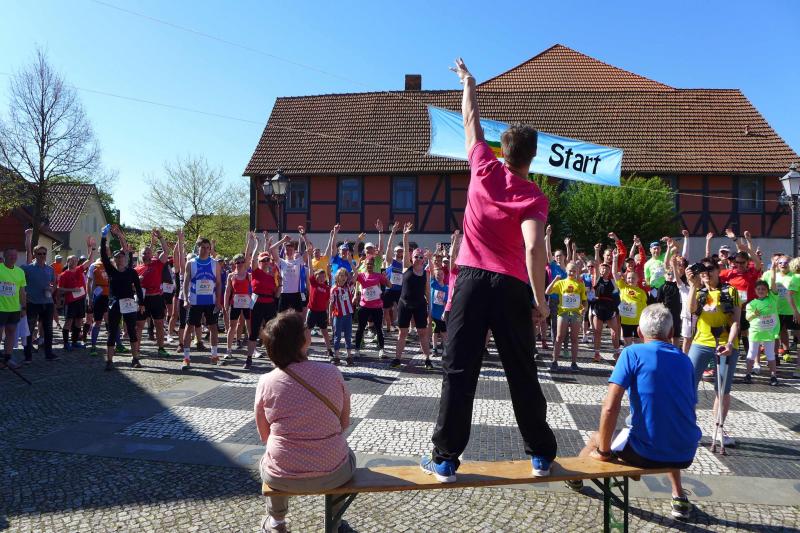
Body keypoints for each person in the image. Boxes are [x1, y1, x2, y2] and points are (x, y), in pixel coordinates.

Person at [421, 58, 556, 482]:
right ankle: (541, 456)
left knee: (459, 368)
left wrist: (469, 83)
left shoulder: (482, 165)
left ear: (503, 151)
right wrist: (540, 302)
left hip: (472, 280)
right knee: (522, 371)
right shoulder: (534, 196)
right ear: (533, 156)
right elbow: (533, 247)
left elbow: (470, 121)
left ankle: (445, 459)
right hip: (512, 285)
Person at [569, 304, 700, 520]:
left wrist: (604, 452)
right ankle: (679, 496)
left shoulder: (632, 353)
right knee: (667, 428)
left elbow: (610, 407)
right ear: (670, 333)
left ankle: (574, 477)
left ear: (639, 332)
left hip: (645, 452)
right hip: (685, 451)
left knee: (596, 438)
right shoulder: (685, 360)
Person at [255, 311, 355, 533]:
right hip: (333, 470)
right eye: (306, 328)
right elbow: (344, 423)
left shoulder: (266, 382)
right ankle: (335, 521)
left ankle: (276, 523)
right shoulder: (332, 373)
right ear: (303, 340)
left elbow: (264, 435)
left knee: (270, 457)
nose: (309, 329)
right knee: (346, 455)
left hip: (282, 474)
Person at [686, 257, 741, 448]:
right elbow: (691, 310)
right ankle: (689, 427)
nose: (706, 273)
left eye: (710, 269)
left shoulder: (730, 291)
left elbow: (736, 321)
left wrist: (731, 344)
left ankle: (719, 428)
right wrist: (692, 286)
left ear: (718, 270)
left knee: (722, 389)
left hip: (725, 344)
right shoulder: (700, 291)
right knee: (688, 384)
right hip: (701, 342)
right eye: (702, 270)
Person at [101, 225, 145, 370]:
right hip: (115, 304)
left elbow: (138, 288)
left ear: (125, 258)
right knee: (112, 332)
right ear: (114, 259)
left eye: (121, 256)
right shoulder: (111, 270)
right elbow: (103, 256)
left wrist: (141, 303)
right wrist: (103, 237)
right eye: (116, 257)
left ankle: (135, 358)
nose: (119, 259)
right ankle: (109, 361)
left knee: (132, 331)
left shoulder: (131, 272)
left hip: (129, 304)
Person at [393, 222, 433, 369]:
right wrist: (405, 235)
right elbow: (405, 249)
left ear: (424, 260)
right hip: (404, 304)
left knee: (422, 333)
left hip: (420, 305)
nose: (418, 259)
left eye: (421, 257)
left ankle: (427, 359)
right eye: (416, 256)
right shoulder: (406, 267)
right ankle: (397, 359)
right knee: (402, 333)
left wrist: (430, 308)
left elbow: (427, 292)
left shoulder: (426, 274)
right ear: (412, 258)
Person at [181, 237, 223, 370]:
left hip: (210, 301)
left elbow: (218, 283)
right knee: (189, 327)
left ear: (210, 249)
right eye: (203, 247)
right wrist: (186, 299)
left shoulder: (215, 264)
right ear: (198, 248)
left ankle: (214, 356)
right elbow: (186, 283)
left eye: (207, 248)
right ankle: (186, 358)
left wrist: (218, 301)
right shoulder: (191, 263)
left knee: (213, 327)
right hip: (195, 301)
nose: (205, 250)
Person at [21, 229, 58, 362]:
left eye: (44, 253)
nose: (42, 255)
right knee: (29, 330)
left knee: (48, 330)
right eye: (39, 253)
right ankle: (28, 356)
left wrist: (52, 289)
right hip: (32, 303)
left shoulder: (50, 269)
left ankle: (49, 354)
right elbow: (20, 284)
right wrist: (28, 238)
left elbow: (54, 283)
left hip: (47, 303)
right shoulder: (28, 268)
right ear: (35, 255)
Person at [244, 233, 279, 370]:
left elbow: (276, 293)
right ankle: (249, 358)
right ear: (259, 262)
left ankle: (274, 358)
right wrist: (256, 244)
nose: (266, 262)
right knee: (253, 332)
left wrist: (280, 285)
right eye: (263, 260)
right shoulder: (256, 272)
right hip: (257, 303)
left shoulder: (271, 276)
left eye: (267, 260)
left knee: (272, 331)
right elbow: (252, 259)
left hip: (269, 303)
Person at [546, 262, 588, 372]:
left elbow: (584, 300)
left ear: (577, 272)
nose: (572, 273)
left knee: (574, 338)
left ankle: (574, 363)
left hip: (576, 314)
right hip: (563, 313)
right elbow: (547, 291)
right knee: (559, 337)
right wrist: (555, 280)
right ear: (566, 271)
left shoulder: (580, 284)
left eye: (574, 271)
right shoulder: (561, 282)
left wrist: (584, 308)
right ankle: (554, 362)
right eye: (570, 271)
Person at [135, 230, 171, 357]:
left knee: (159, 324)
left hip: (156, 298)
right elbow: (131, 286)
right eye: (144, 253)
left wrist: (160, 237)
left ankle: (161, 348)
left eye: (148, 252)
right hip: (143, 300)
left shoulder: (157, 263)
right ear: (141, 255)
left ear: (152, 254)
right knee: (139, 325)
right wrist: (137, 282)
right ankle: (136, 350)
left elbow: (166, 251)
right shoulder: (137, 269)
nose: (147, 255)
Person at [744, 266, 780, 386]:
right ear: (755, 290)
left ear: (767, 291)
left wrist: (773, 269)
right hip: (755, 332)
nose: (761, 291)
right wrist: (754, 314)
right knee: (751, 353)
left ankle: (773, 376)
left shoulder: (772, 299)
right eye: (758, 289)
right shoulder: (751, 304)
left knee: (770, 354)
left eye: (763, 289)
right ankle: (748, 374)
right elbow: (748, 318)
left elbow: (773, 283)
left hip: (769, 332)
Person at [57, 237, 95, 351]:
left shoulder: (79, 269)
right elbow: (59, 289)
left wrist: (91, 248)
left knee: (79, 321)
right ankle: (66, 343)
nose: (73, 262)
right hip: (70, 301)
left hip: (80, 300)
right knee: (68, 322)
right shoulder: (64, 275)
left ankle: (74, 342)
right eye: (71, 260)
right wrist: (71, 290)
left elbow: (90, 261)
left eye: (75, 260)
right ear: (67, 262)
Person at [760, 254, 799, 361]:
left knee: (792, 333)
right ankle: (775, 357)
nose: (783, 265)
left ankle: (786, 352)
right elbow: (762, 288)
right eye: (780, 262)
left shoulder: (795, 276)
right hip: (775, 310)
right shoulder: (771, 275)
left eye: (786, 262)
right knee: (775, 334)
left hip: (793, 311)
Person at [353, 251, 390, 361]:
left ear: (374, 265)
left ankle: (381, 349)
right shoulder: (361, 275)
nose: (369, 266)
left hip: (377, 306)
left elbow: (389, 285)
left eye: (371, 264)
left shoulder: (378, 275)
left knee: (379, 328)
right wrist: (357, 266)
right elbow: (352, 279)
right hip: (364, 306)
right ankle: (357, 349)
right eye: (368, 264)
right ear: (365, 265)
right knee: (360, 328)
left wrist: (385, 277)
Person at [303, 232, 334, 359]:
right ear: (316, 277)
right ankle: (304, 350)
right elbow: (310, 268)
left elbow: (327, 302)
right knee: (307, 331)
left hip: (321, 312)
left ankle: (329, 350)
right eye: (319, 276)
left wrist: (327, 313)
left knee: (325, 332)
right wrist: (309, 254)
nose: (321, 278)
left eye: (323, 276)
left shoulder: (327, 288)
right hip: (312, 311)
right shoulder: (313, 283)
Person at [613, 249, 647, 348]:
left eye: (633, 278)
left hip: (637, 322)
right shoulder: (623, 287)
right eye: (628, 278)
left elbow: (645, 308)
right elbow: (614, 273)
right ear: (626, 279)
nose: (630, 280)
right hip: (626, 321)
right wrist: (615, 259)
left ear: (637, 279)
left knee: (638, 344)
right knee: (627, 345)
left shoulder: (641, 292)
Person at [0, 245, 27, 369]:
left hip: (14, 308)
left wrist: (24, 307)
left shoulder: (20, 272)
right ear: (4, 256)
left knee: (11, 332)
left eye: (15, 255)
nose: (13, 257)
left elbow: (22, 292)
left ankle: (7, 358)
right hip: (1, 308)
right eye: (10, 255)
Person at [223, 252, 253, 363]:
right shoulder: (231, 276)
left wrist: (253, 303)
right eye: (237, 262)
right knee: (232, 326)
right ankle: (228, 350)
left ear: (244, 263)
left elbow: (253, 290)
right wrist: (225, 304)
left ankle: (253, 350)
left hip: (247, 303)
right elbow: (227, 291)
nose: (240, 264)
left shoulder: (248, 275)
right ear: (234, 263)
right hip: (235, 303)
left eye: (241, 262)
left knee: (249, 326)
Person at [590, 258, 620, 362]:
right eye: (602, 268)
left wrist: (615, 259)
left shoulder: (613, 281)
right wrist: (597, 251)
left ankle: (617, 353)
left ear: (609, 271)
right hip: (598, 307)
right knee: (597, 332)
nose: (604, 270)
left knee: (615, 332)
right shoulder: (597, 279)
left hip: (610, 308)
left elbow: (616, 294)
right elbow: (596, 264)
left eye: (606, 269)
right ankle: (597, 354)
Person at [273, 230, 307, 313]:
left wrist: (304, 236)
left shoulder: (299, 261)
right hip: (284, 293)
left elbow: (309, 248)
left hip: (296, 293)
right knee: (282, 316)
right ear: (284, 251)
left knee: (298, 315)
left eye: (291, 250)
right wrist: (283, 240)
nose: (289, 252)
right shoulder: (281, 261)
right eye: (287, 250)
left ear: (294, 251)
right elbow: (272, 249)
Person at [381, 222, 403, 333]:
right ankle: (389, 328)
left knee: (401, 309)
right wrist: (393, 233)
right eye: (398, 251)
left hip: (399, 290)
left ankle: (399, 327)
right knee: (386, 309)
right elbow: (388, 246)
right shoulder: (390, 261)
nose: (400, 252)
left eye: (401, 251)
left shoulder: (404, 263)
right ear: (394, 252)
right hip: (389, 289)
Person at [330, 268, 355, 365]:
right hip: (338, 315)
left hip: (348, 314)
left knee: (348, 336)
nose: (343, 277)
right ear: (337, 277)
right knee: (337, 336)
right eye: (341, 275)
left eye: (345, 275)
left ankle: (349, 356)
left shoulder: (348, 287)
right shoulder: (334, 289)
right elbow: (331, 304)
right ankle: (337, 356)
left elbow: (356, 275)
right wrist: (330, 316)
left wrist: (351, 264)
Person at [429, 264, 449, 358]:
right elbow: (431, 271)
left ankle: (445, 349)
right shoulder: (433, 284)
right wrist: (430, 260)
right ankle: (434, 348)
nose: (439, 276)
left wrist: (445, 313)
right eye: (437, 274)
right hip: (434, 314)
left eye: (441, 274)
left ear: (444, 276)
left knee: (444, 333)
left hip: (442, 314)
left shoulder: (446, 288)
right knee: (435, 332)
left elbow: (446, 302)